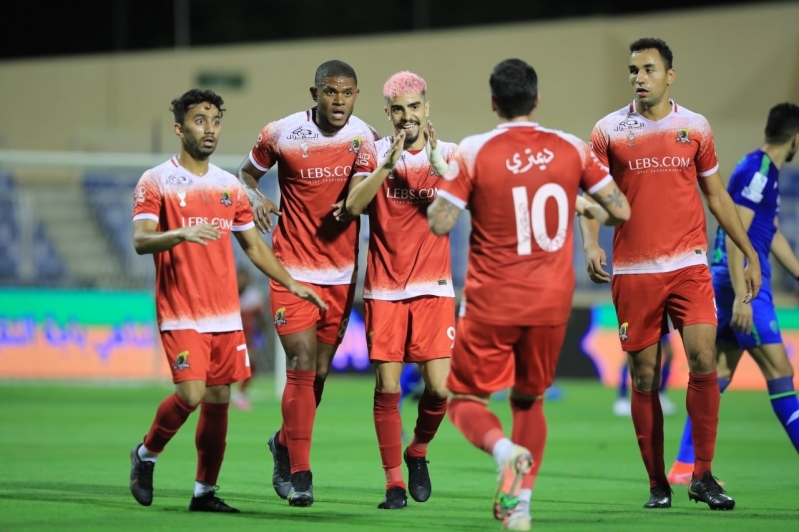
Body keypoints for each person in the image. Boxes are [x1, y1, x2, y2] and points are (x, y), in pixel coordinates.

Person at [427, 58, 631, 531]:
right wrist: (577, 199)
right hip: (551, 302)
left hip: (492, 300)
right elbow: (620, 211)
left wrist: (454, 187)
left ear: (494, 103)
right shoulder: (572, 148)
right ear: (536, 99)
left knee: (463, 400)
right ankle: (521, 509)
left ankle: (504, 451)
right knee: (529, 400)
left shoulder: (475, 151)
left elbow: (440, 222)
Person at [579, 38, 762, 511]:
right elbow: (592, 193)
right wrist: (591, 241)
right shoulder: (609, 130)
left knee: (703, 357)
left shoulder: (695, 127)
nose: (639, 77)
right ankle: (658, 483)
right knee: (645, 376)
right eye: (633, 69)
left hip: (688, 265)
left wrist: (749, 253)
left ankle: (702, 475)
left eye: (648, 69)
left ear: (669, 75)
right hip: (635, 271)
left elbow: (717, 197)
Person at [128, 89, 326, 513]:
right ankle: (146, 454)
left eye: (215, 121)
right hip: (181, 311)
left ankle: (204, 493)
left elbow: (254, 248)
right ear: (180, 128)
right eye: (200, 120)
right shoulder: (155, 181)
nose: (210, 129)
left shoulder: (229, 187)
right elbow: (141, 240)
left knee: (218, 403)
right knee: (191, 394)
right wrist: (179, 234)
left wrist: (292, 284)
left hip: (224, 316)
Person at [236, 60, 378, 507]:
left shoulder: (365, 138)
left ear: (357, 95)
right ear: (314, 92)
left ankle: (283, 442)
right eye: (331, 92)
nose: (339, 101)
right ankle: (301, 473)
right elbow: (246, 174)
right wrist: (255, 196)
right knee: (299, 360)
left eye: (348, 93)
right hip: (291, 269)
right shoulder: (280, 133)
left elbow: (362, 199)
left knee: (317, 373)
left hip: (340, 274)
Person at [667, 102, 799, 484]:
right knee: (781, 371)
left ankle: (683, 466)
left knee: (719, 372)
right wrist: (744, 295)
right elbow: (735, 232)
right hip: (743, 284)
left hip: (731, 280)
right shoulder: (759, 173)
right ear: (794, 139)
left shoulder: (761, 171)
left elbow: (771, 235)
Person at [341, 71, 455, 509]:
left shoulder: (449, 154)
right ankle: (393, 484)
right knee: (387, 388)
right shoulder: (370, 154)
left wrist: (442, 171)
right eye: (399, 109)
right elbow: (353, 206)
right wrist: (387, 165)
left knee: (440, 389)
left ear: (426, 109)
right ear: (388, 114)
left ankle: (418, 451)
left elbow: (460, 210)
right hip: (385, 288)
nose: (407, 116)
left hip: (433, 288)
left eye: (414, 107)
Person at [614, 328, 675, 417]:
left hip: (658, 320)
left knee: (669, 354)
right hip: (632, 320)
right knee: (628, 356)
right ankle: (621, 398)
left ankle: (661, 395)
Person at [231, 267, 268, 411]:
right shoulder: (227, 293)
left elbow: (262, 319)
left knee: (251, 362)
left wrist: (258, 335)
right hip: (228, 336)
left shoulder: (254, 297)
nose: (242, 281)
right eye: (240, 278)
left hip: (246, 337)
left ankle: (240, 394)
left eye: (245, 278)